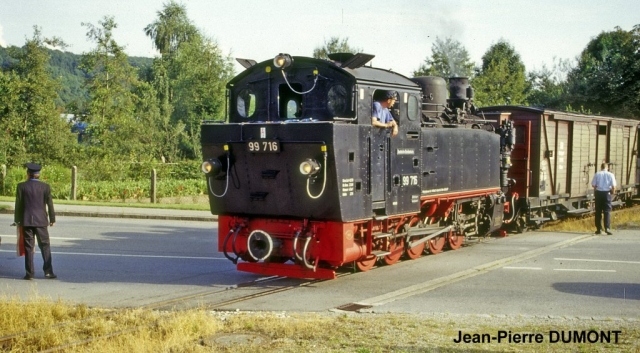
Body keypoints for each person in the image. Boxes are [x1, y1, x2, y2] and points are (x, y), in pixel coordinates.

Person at [14, 163, 57, 280]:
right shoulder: (45, 187)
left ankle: (29, 273)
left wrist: (17, 220)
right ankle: (48, 271)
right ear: (38, 174)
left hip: (26, 220)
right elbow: (50, 204)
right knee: (45, 246)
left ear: (28, 174)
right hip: (41, 221)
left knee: (29, 247)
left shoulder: (21, 186)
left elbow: (18, 205)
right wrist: (52, 219)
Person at [591, 162, 616, 235]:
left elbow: (593, 185)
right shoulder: (611, 174)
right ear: (607, 167)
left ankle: (599, 229)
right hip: (607, 194)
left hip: (599, 193)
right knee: (607, 211)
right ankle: (607, 228)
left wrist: (596, 190)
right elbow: (614, 186)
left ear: (601, 167)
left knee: (598, 211)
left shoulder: (597, 174)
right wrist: (612, 193)